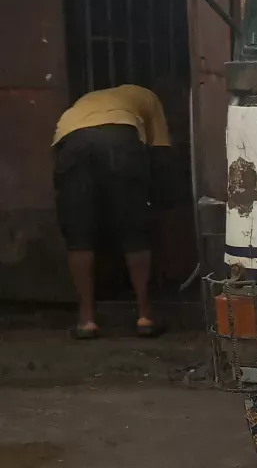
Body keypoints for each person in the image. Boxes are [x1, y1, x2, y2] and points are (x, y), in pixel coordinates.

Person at [52, 83, 174, 339]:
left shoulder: (83, 102)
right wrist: (159, 199)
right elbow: (161, 152)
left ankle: (87, 320)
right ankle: (145, 316)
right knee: (134, 230)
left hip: (70, 139)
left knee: (79, 231)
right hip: (121, 137)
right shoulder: (149, 97)